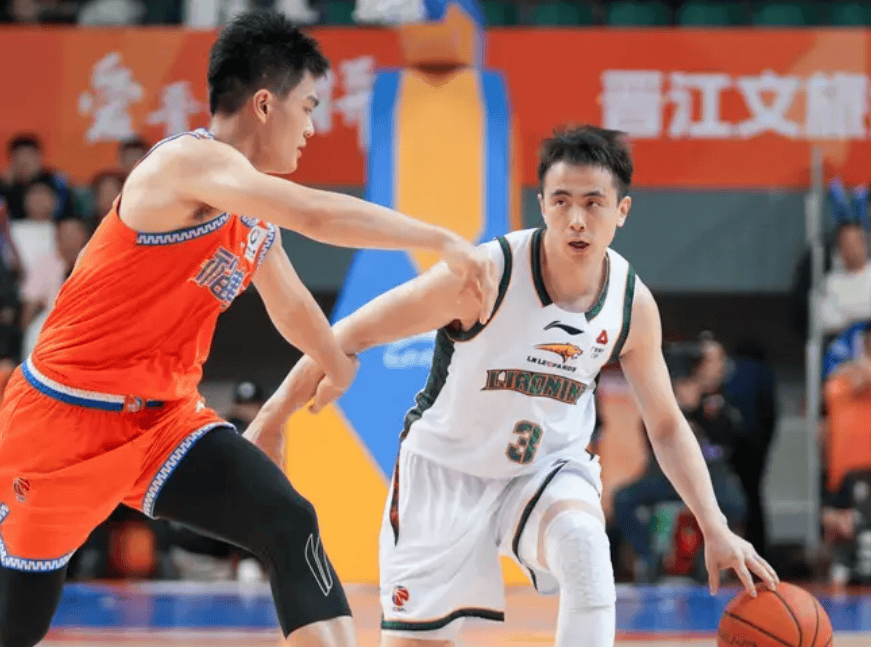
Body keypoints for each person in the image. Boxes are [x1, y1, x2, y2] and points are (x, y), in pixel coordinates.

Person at [0, 10, 497, 647]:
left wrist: (335, 366)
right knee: (19, 625)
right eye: (308, 107)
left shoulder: (252, 215)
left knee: (288, 521)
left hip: (162, 425)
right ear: (265, 104)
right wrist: (440, 239)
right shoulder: (184, 166)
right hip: (61, 424)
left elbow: (292, 307)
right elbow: (317, 215)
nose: (312, 128)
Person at [248, 125, 780, 647]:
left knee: (585, 550)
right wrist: (272, 417)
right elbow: (348, 334)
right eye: (562, 201)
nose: (576, 219)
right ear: (542, 205)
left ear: (621, 211)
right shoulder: (486, 276)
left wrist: (715, 526)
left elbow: (665, 425)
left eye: (593, 203)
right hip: (445, 474)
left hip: (544, 470)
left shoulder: (630, 303)